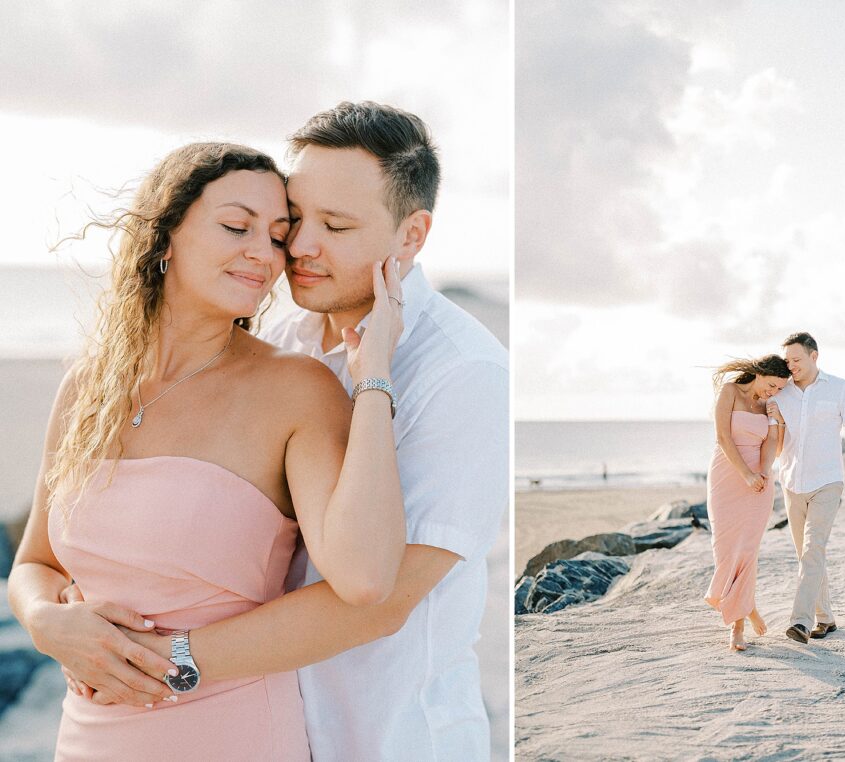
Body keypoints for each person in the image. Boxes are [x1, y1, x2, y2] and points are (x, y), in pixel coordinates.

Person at [55, 102, 509, 760]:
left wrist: (145, 660)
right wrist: (68, 619)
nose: (297, 247)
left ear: (411, 236)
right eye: (296, 220)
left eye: (337, 225)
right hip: (266, 713)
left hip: (386, 734)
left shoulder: (466, 375)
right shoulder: (283, 335)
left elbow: (380, 601)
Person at [8, 142, 407, 760]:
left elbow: (365, 578)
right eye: (235, 226)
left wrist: (373, 377)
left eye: (277, 236)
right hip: (86, 738)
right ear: (165, 234)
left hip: (230, 733)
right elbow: (35, 561)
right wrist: (44, 622)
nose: (263, 253)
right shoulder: (89, 386)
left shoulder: (296, 389)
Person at [766, 332, 845, 644]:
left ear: (814, 356)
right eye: (787, 360)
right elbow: (781, 447)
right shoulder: (780, 395)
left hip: (828, 481)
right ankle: (826, 618)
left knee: (813, 550)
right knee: (807, 556)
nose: (791, 365)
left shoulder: (840, 388)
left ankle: (800, 622)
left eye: (796, 359)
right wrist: (775, 420)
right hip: (792, 483)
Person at [704, 355, 791, 651]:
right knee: (726, 548)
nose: (773, 392)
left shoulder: (769, 405)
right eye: (771, 385)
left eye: (779, 389)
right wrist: (746, 474)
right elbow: (723, 437)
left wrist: (763, 473)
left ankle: (737, 626)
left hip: (759, 481)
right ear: (759, 373)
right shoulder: (730, 391)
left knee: (747, 550)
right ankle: (746, 606)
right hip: (728, 475)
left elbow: (772, 445)